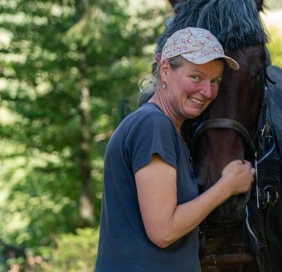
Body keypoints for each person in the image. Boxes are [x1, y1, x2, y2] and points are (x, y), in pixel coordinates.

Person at [95, 27, 256, 271]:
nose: (207, 91)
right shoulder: (153, 125)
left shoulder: (167, 130)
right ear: (166, 70)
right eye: (196, 77)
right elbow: (163, 231)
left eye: (215, 81)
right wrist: (227, 186)